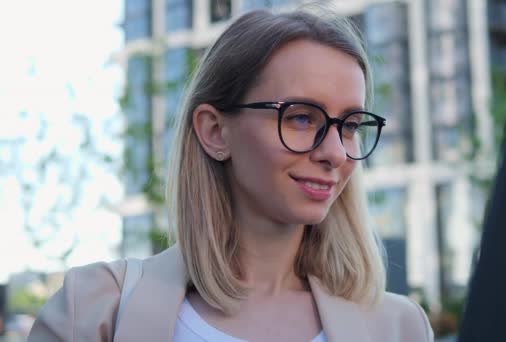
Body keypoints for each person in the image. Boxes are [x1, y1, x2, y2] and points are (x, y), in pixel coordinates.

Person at [28, 6, 433, 342]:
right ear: (215, 132)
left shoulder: (399, 327)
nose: (334, 152)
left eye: (350, 126)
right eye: (301, 118)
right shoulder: (95, 310)